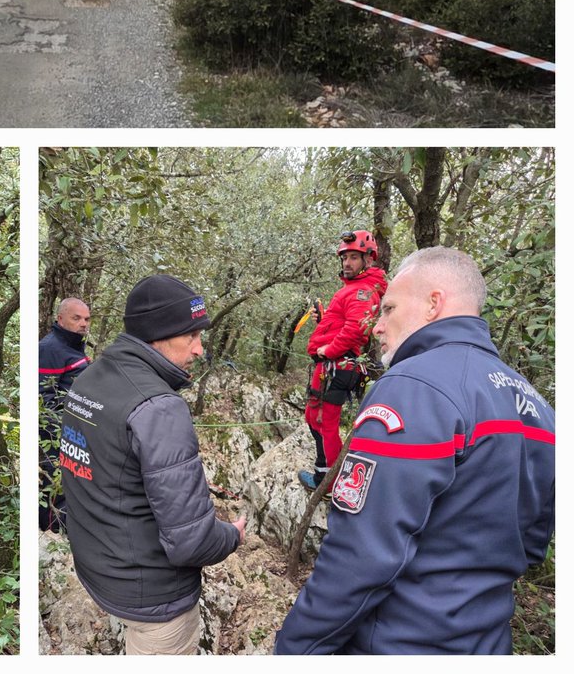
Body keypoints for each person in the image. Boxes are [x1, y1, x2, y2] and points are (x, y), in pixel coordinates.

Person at [276, 247, 555, 654]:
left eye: (388, 308)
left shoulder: (414, 387)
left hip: (398, 641)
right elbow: (531, 545)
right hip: (488, 642)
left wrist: (295, 649)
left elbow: (362, 558)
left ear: (433, 303)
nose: (378, 326)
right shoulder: (538, 406)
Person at [61, 274, 245, 656]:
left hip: (99, 567)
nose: (199, 349)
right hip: (154, 597)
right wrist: (232, 536)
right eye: (191, 336)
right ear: (158, 335)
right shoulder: (159, 407)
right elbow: (191, 541)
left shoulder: (90, 379)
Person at [298, 230, 387, 492]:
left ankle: (326, 482)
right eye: (345, 257)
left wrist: (327, 350)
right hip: (332, 366)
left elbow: (356, 331)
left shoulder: (362, 291)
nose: (347, 263)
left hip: (337, 366)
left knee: (324, 421)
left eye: (353, 258)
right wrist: (325, 320)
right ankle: (324, 471)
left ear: (368, 260)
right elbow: (346, 324)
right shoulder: (354, 289)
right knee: (314, 417)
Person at [38, 297, 91, 532]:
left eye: (87, 319)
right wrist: (60, 432)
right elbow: (43, 397)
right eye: (76, 318)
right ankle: (52, 528)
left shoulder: (73, 346)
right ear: (60, 319)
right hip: (56, 434)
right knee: (54, 482)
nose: (83, 324)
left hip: (75, 431)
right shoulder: (50, 348)